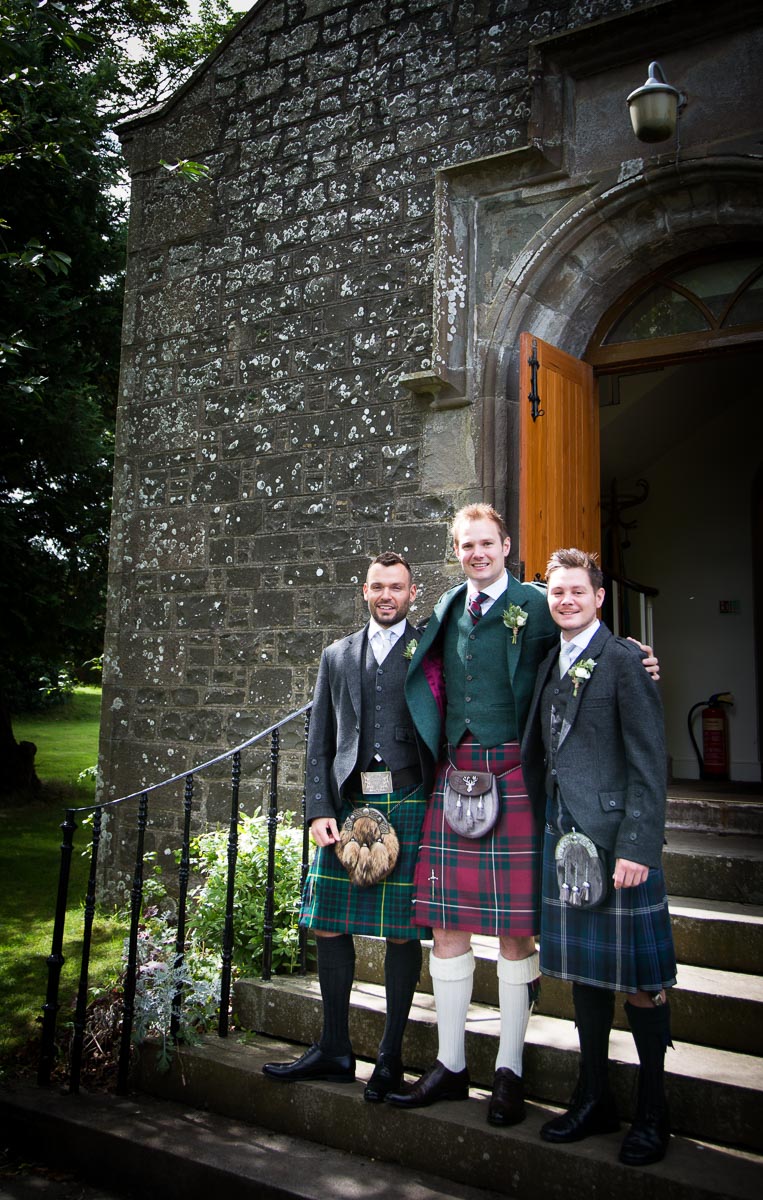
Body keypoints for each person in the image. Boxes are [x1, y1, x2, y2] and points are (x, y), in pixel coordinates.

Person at [388, 505, 659, 1127]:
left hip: (516, 776)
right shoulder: (447, 607)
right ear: (456, 550)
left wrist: (638, 658)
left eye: (487, 543)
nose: (477, 553)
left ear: (507, 545)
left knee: (515, 932)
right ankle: (451, 1064)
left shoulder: (540, 604)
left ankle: (509, 1071)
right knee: (447, 926)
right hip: (454, 774)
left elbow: (587, 647)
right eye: (467, 545)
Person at [520, 548, 676, 1166]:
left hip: (616, 843)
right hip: (564, 839)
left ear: (599, 597)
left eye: (577, 591)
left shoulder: (625, 661)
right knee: (586, 978)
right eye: (557, 592)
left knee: (641, 983)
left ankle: (653, 1112)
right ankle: (593, 1099)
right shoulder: (548, 662)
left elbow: (649, 762)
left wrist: (638, 846)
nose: (566, 601)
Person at [262, 551, 434, 1102]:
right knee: (328, 923)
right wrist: (317, 809)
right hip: (349, 802)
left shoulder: (430, 648)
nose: (387, 596)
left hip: (409, 799)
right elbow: (319, 740)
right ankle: (335, 1048)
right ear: (364, 591)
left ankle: (389, 1058)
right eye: (378, 587)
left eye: (397, 587)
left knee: (403, 929)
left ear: (412, 593)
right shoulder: (337, 655)